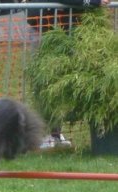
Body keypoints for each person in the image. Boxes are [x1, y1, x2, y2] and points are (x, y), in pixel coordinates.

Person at [26, 0, 110, 148]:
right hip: (46, 29)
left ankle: (55, 134)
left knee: (60, 85)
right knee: (45, 84)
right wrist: (93, 2)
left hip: (66, 31)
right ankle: (43, 134)